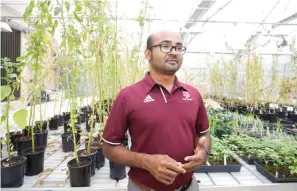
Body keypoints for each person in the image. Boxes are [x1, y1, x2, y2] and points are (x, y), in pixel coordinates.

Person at [102, 30, 211, 191]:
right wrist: (146, 161)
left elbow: (203, 134)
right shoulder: (128, 96)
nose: (174, 52)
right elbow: (109, 148)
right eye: (165, 46)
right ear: (148, 54)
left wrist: (204, 153)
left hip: (189, 186)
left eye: (178, 48)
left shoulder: (193, 94)